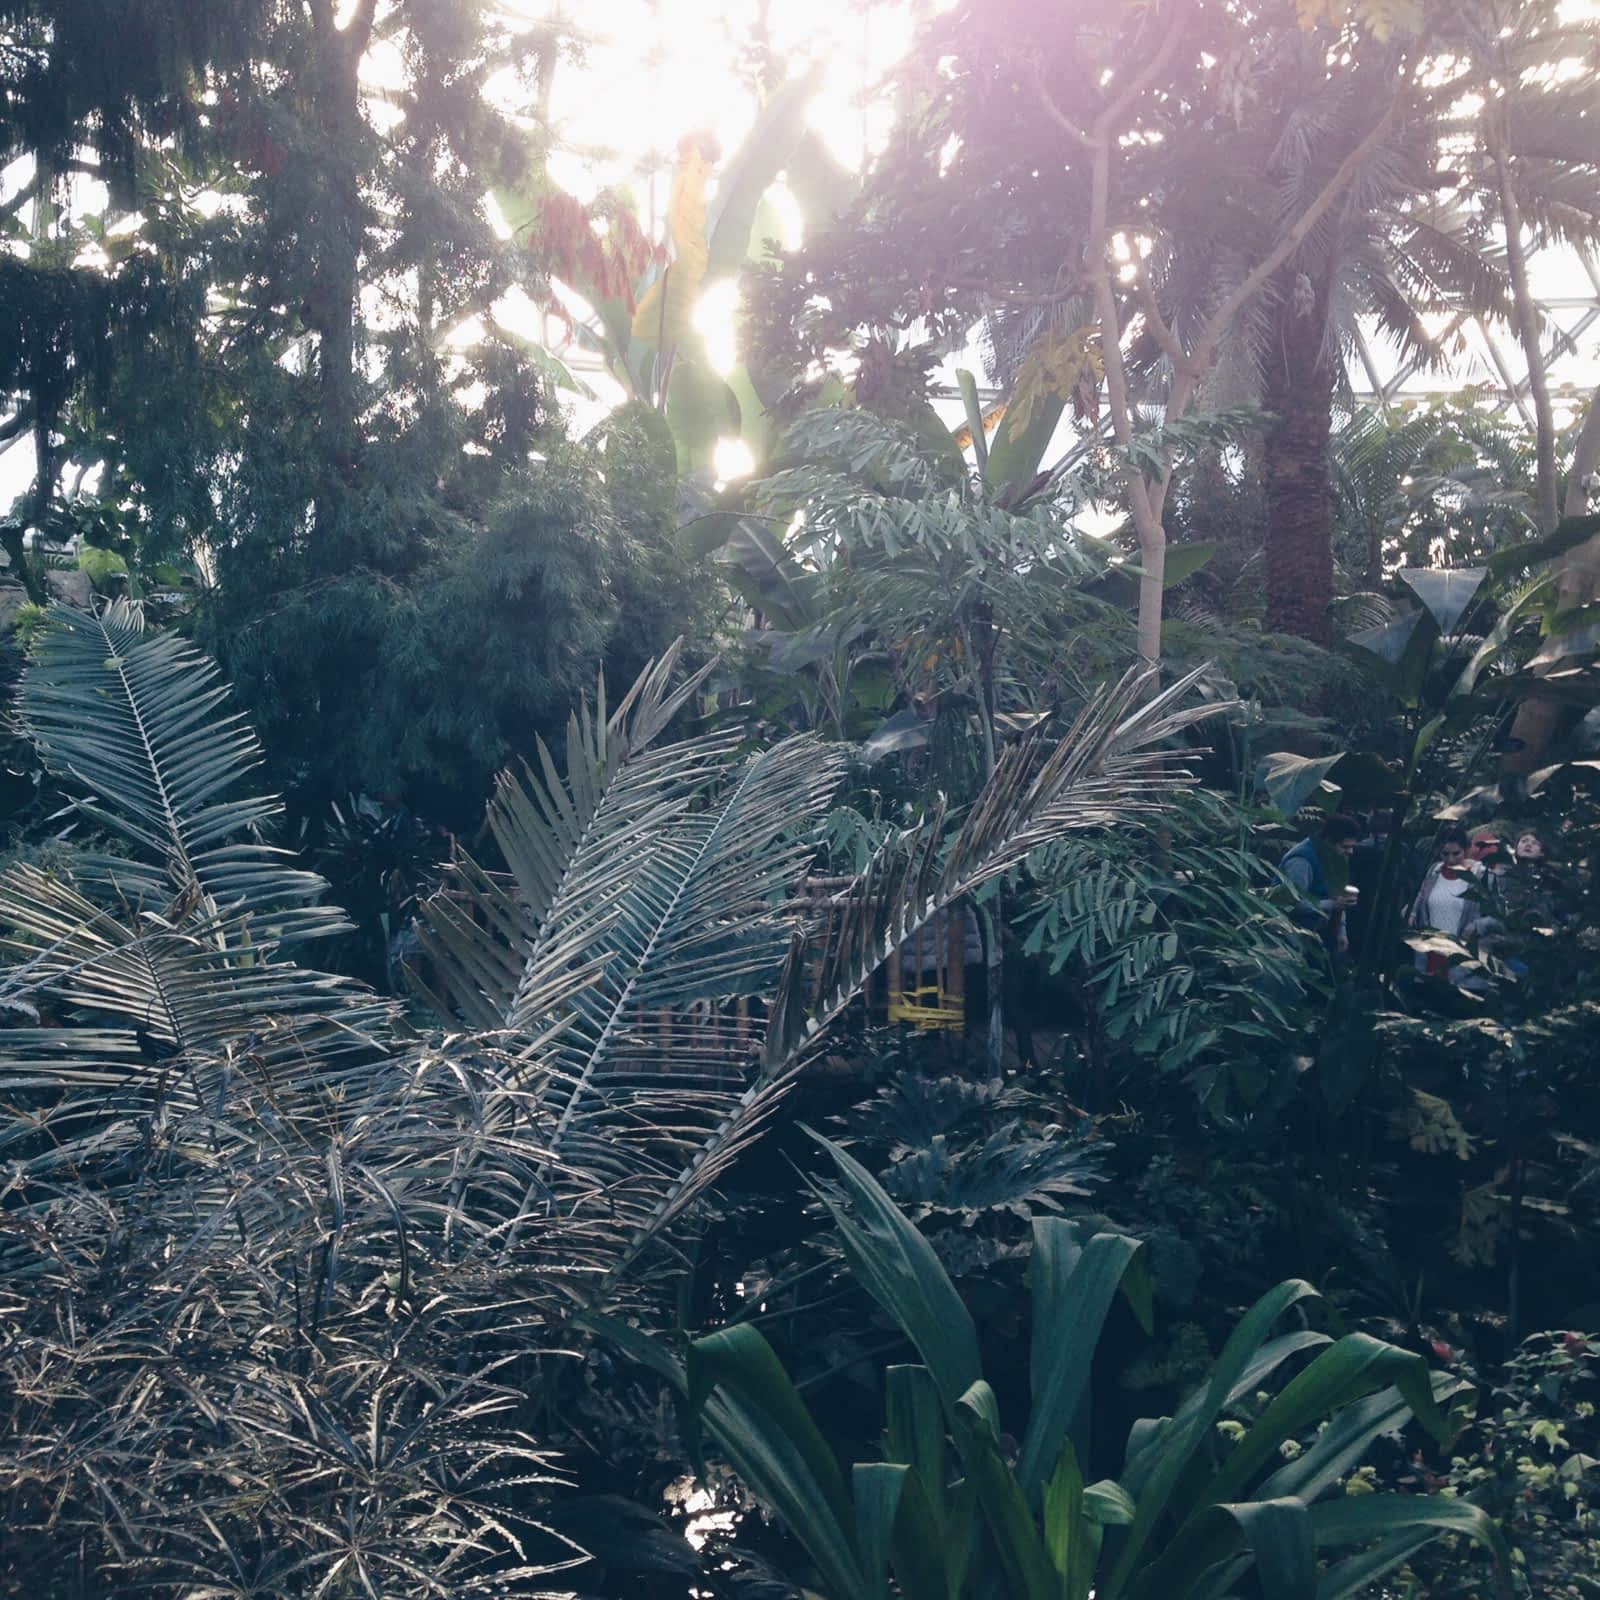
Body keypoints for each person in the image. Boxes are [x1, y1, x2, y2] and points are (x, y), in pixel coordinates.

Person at [1408, 825, 1491, 978]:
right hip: (1430, 950)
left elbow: (1494, 915)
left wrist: (1474, 927)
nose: (1450, 859)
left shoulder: (1480, 876)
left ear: (1466, 850)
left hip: (1463, 953)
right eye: (1445, 854)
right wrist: (1412, 913)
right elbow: (1421, 897)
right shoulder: (1434, 871)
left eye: (1456, 853)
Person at [1281, 813, 1361, 953]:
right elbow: (1291, 904)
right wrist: (1331, 904)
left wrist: (1342, 931)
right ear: (1329, 841)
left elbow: (1338, 896)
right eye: (1345, 847)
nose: (1350, 852)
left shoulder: (1334, 857)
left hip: (1321, 934)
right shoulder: (1301, 862)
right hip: (1293, 939)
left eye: (1352, 847)